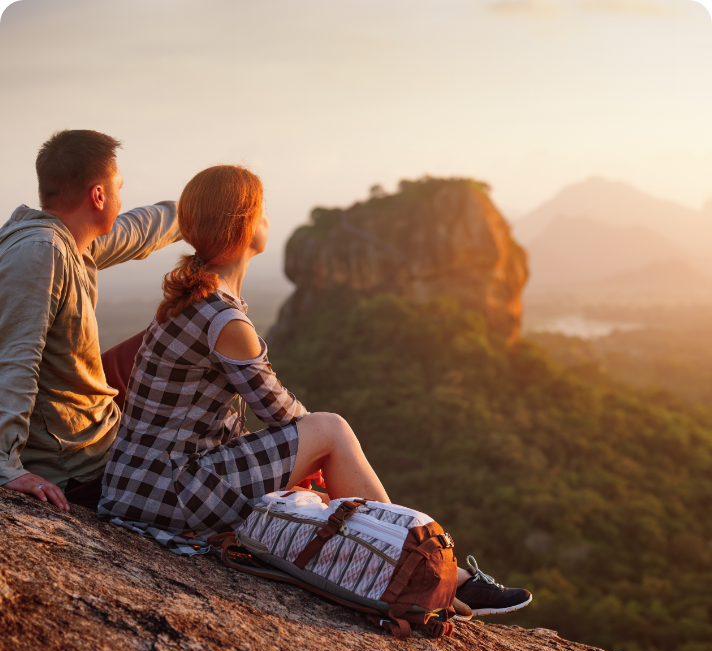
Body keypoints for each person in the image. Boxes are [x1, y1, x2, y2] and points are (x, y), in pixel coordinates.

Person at [99, 164, 532, 618]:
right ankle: (414, 559)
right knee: (332, 430)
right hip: (170, 490)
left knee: (317, 480)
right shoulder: (223, 320)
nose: (269, 218)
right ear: (247, 226)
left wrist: (305, 463)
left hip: (140, 485)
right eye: (263, 211)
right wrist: (316, 454)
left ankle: (432, 572)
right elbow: (284, 414)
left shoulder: (192, 299)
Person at [0, 129, 181, 511]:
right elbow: (15, 359)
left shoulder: (67, 238)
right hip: (73, 457)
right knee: (199, 332)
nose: (121, 197)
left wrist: (200, 209)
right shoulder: (41, 253)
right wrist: (5, 465)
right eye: (118, 187)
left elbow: (140, 229)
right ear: (98, 195)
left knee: (177, 329)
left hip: (81, 404)